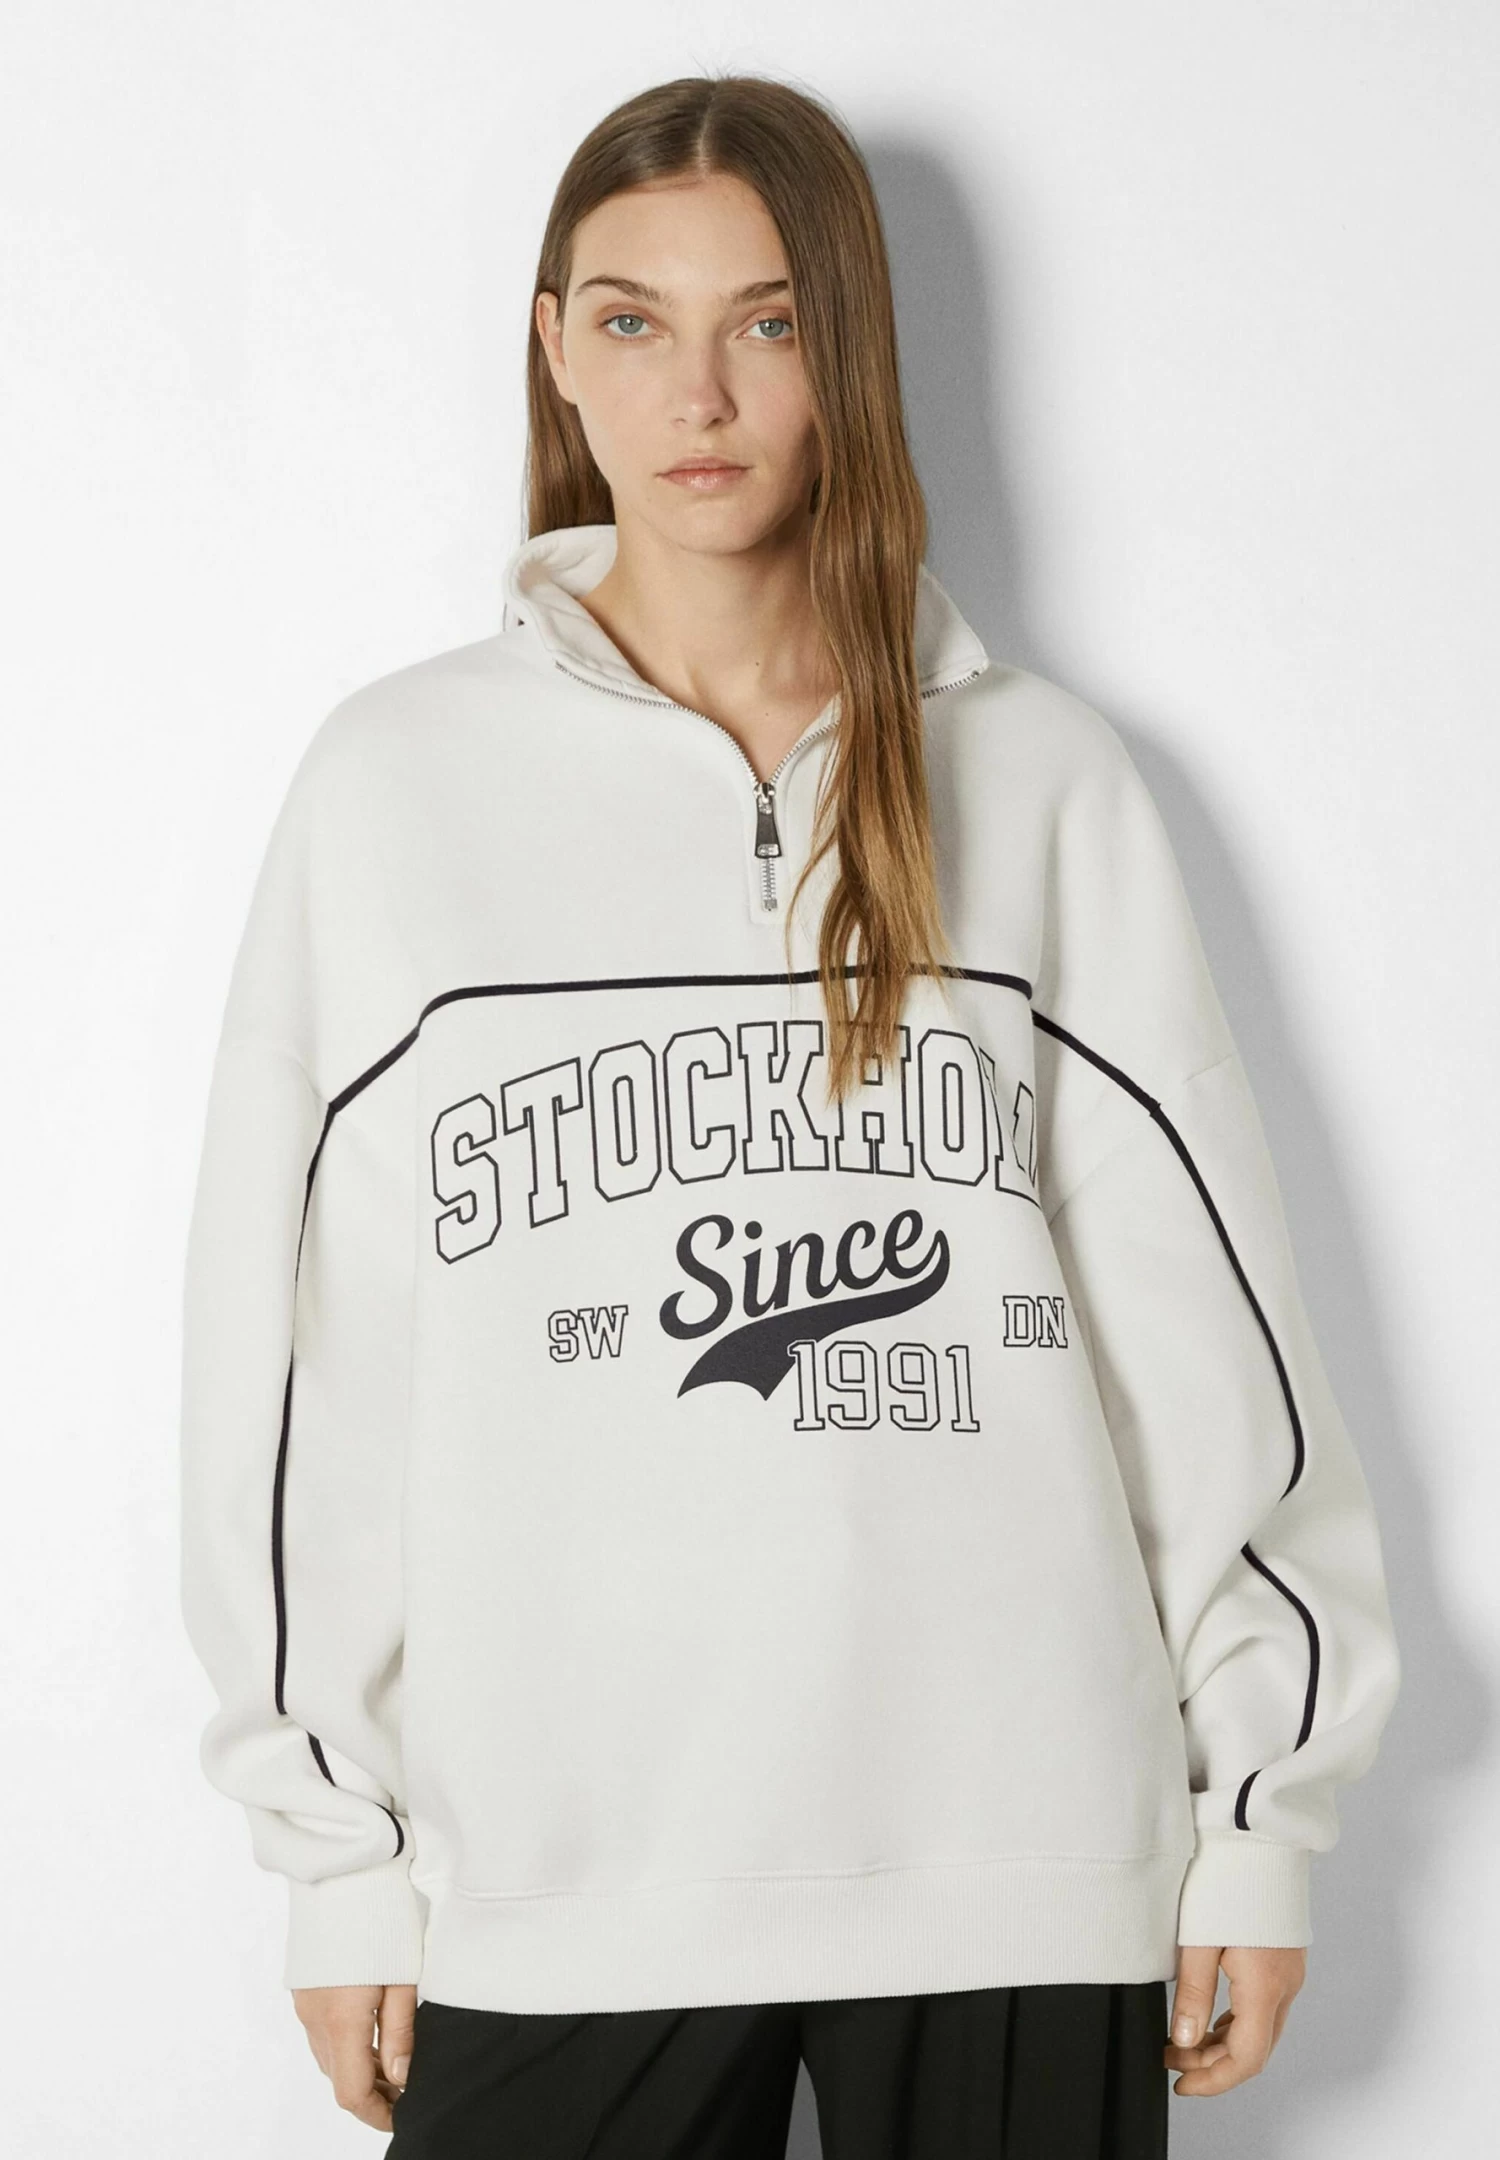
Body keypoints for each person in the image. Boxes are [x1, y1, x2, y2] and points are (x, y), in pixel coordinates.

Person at [177, 72, 1402, 2159]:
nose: (701, 393)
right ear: (557, 351)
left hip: (1018, 1850)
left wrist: (1261, 1813)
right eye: (633, 321)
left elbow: (1206, 1336)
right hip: (571, 1878)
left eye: (769, 320)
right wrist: (337, 1852)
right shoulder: (396, 790)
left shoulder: (1044, 779)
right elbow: (300, 1366)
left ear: (852, 347)